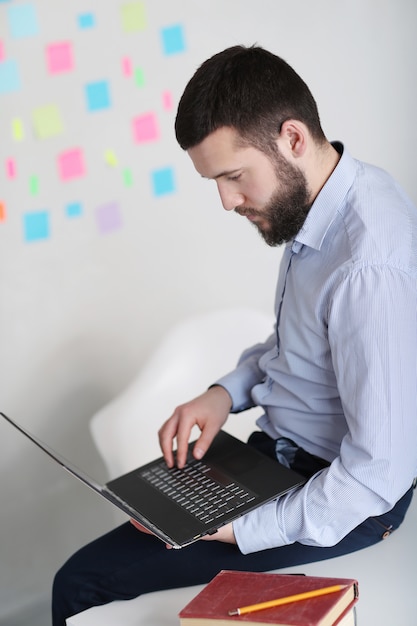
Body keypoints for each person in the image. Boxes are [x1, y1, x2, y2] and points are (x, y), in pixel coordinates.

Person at [52, 45, 417, 624]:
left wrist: (238, 528)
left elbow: (378, 474)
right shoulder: (328, 202)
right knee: (143, 512)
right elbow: (296, 344)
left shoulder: (368, 267)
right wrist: (223, 393)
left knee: (78, 583)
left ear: (292, 139)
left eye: (233, 176)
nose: (226, 201)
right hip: (276, 458)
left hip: (340, 497)